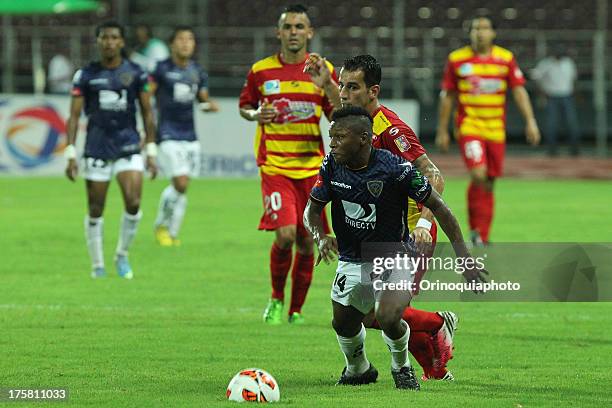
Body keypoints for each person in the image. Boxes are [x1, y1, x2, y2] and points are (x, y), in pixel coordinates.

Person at [304, 106, 488, 389]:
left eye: (340, 137)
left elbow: (439, 206)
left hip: (392, 256)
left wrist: (464, 259)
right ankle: (359, 369)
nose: (333, 143)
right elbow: (311, 211)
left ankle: (402, 368)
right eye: (332, 137)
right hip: (351, 259)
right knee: (343, 324)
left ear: (364, 139)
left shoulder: (394, 168)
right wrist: (320, 236)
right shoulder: (331, 166)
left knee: (389, 316)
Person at [332, 54, 455, 380]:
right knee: (371, 312)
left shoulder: (391, 130)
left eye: (352, 87)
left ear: (373, 91)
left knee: (376, 312)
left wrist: (426, 223)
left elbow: (434, 175)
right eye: (341, 85)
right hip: (377, 235)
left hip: (410, 233)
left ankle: (438, 323)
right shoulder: (354, 125)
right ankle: (435, 368)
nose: (343, 93)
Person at [239, 4, 340, 325]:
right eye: (289, 27)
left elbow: (338, 117)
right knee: (284, 236)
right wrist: (256, 115)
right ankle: (276, 299)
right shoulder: (261, 71)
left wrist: (328, 86)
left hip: (311, 169)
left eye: (300, 27)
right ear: (278, 32)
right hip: (275, 168)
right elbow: (245, 106)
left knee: (307, 240)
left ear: (309, 32)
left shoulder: (322, 70)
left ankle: (296, 310)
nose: (294, 32)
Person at [64, 21, 158, 279]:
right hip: (96, 148)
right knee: (96, 208)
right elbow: (73, 117)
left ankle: (122, 256)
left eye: (114, 37)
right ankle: (97, 265)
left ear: (122, 42)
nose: (109, 42)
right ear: (98, 42)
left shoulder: (137, 73)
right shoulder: (85, 75)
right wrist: (70, 152)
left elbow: (148, 113)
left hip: (128, 145)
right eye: (104, 38)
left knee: (134, 202)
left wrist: (151, 149)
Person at [435, 16, 541, 245]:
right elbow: (448, 96)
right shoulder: (457, 59)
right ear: (470, 33)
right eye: (475, 28)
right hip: (470, 126)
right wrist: (442, 129)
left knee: (490, 181)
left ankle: (482, 234)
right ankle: (475, 231)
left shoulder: (505, 59)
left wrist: (530, 120)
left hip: (496, 130)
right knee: (478, 174)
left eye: (484, 29)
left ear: (493, 33)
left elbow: (519, 91)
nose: (480, 33)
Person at [152, 26, 219, 246]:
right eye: (181, 39)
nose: (185, 43)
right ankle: (161, 225)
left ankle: (171, 233)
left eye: (189, 39)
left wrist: (208, 106)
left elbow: (202, 99)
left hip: (190, 135)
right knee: (180, 183)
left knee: (183, 185)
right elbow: (146, 95)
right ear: (172, 44)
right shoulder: (161, 69)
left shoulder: (197, 72)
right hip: (166, 133)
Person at [531, 47, 581, 156]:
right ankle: (552, 150)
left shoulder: (568, 63)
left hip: (567, 96)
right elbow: (535, 76)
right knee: (551, 124)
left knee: (571, 123)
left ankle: (574, 149)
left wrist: (575, 94)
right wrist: (541, 91)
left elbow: (574, 79)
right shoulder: (546, 63)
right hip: (552, 96)